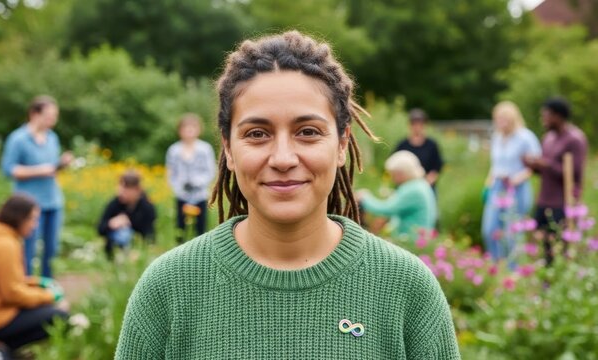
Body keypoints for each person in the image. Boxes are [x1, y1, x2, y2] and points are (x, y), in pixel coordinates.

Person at [116, 31, 459, 359]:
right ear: (228, 150)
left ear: (341, 145)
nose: (282, 158)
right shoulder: (168, 289)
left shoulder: (406, 288)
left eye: (308, 132)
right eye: (257, 133)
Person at [0, 194, 69, 360]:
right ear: (19, 217)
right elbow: (12, 293)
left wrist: (35, 283)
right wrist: (48, 296)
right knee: (59, 316)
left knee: (41, 308)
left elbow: (3, 281)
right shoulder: (5, 244)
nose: (35, 225)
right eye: (32, 219)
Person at [0, 95, 73, 278]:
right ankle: (26, 285)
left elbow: (51, 169)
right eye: (48, 116)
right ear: (34, 114)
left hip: (52, 200)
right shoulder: (18, 139)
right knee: (29, 249)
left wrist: (60, 164)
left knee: (51, 249)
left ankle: (47, 287)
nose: (52, 121)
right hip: (29, 203)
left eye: (54, 116)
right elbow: (9, 169)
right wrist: (41, 170)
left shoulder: (52, 138)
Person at [523, 97, 588, 265]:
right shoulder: (548, 138)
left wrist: (546, 164)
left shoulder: (575, 139)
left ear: (558, 116)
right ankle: (547, 283)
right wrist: (532, 165)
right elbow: (545, 170)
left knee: (562, 247)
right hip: (545, 200)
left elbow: (575, 174)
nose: (543, 119)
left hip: (563, 202)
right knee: (544, 245)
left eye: (547, 115)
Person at [481, 101, 541, 263]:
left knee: (512, 232)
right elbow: (495, 165)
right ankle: (495, 263)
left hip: (517, 187)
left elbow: (535, 166)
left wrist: (517, 178)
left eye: (505, 118)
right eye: (499, 118)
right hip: (497, 186)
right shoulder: (497, 137)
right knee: (489, 229)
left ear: (514, 118)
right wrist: (488, 184)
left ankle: (514, 270)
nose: (502, 122)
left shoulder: (525, 137)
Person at [358, 150, 437, 240]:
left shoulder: (413, 190)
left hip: (412, 241)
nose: (392, 178)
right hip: (420, 237)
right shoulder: (420, 184)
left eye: (393, 174)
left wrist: (365, 197)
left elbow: (386, 209)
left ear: (401, 173)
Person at [165, 113, 216, 243]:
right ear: (180, 130)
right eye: (185, 128)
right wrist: (177, 187)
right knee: (180, 228)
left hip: (200, 195)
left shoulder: (205, 149)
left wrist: (197, 182)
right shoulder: (174, 150)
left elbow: (211, 171)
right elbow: (170, 172)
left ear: (198, 129)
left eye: (192, 127)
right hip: (181, 195)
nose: (189, 131)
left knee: (201, 229)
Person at [97, 170, 157, 260]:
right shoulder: (114, 203)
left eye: (125, 189)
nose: (121, 192)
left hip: (136, 250)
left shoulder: (147, 207)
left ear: (136, 189)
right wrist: (111, 224)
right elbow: (100, 228)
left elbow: (150, 235)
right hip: (114, 251)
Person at [394, 108, 444, 190]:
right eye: (414, 124)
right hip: (406, 187)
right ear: (410, 125)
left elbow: (436, 167)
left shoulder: (432, 145)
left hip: (427, 187)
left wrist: (425, 183)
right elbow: (395, 166)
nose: (417, 127)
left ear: (424, 125)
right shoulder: (402, 145)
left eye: (420, 124)